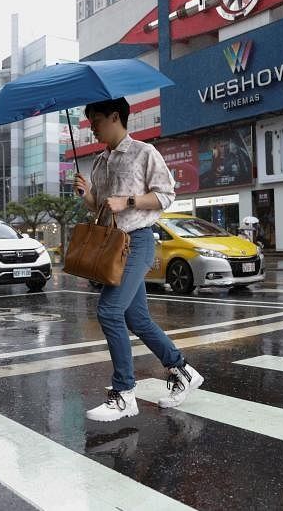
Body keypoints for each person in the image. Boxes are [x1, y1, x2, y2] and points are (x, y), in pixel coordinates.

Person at [74, 97, 204, 422]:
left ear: (115, 117)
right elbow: (102, 208)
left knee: (108, 310)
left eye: (97, 120)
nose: (92, 128)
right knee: (137, 319)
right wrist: (87, 194)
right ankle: (182, 370)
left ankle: (123, 393)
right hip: (114, 245)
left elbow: (166, 195)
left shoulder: (144, 152)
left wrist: (128, 199)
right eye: (91, 122)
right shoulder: (100, 162)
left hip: (139, 241)